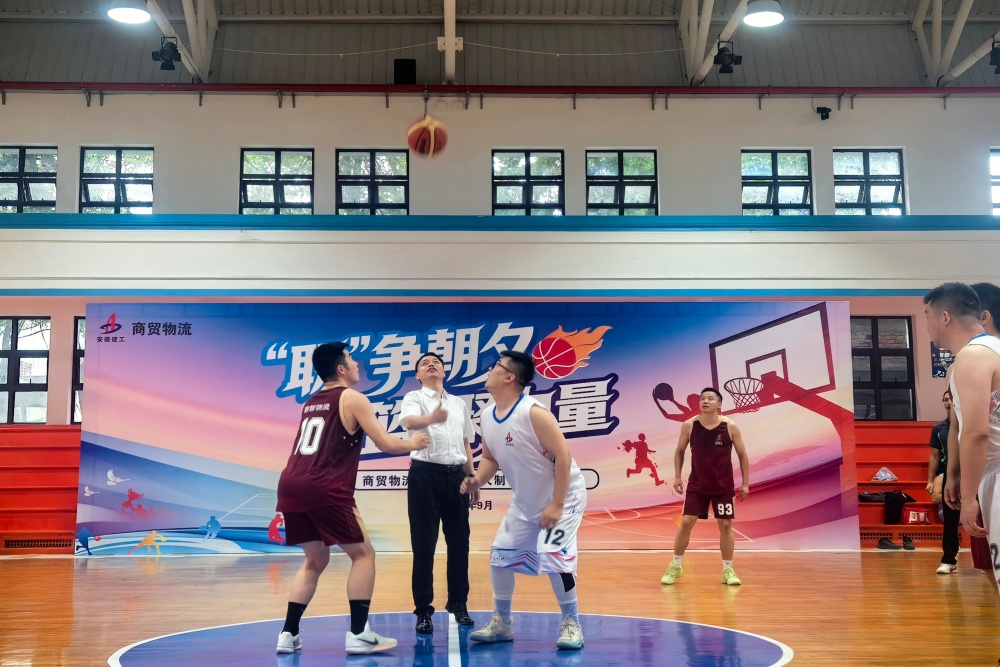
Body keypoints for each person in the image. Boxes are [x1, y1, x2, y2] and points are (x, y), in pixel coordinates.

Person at [274, 342, 429, 655]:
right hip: (324, 487)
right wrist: (414, 444)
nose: (358, 364)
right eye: (352, 359)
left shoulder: (311, 402)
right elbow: (385, 443)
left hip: (290, 484)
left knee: (315, 560)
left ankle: (288, 634)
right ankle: (358, 633)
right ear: (341, 368)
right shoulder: (353, 398)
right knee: (364, 554)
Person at [461, 350, 587, 650]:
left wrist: (557, 505)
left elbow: (563, 456)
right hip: (525, 501)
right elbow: (490, 458)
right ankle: (502, 622)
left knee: (554, 555)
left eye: (496, 366)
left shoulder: (533, 412)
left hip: (565, 497)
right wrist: (477, 479)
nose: (489, 370)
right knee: (500, 555)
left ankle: (572, 623)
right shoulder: (487, 415)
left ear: (509, 377)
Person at [924, 282, 1000, 592]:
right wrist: (954, 474)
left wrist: (968, 499)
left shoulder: (973, 356)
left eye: (927, 315)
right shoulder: (986, 351)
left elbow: (977, 432)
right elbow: (959, 425)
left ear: (944, 317)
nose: (927, 324)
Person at [400, 352, 477, 633]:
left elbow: (466, 442)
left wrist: (472, 476)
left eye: (436, 362)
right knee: (424, 546)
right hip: (424, 476)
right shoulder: (414, 398)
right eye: (425, 363)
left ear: (444, 371)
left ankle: (459, 603)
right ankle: (423, 610)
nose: (431, 364)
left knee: (460, 543)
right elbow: (408, 422)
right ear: (418, 375)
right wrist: (431, 418)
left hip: (456, 476)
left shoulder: (458, 404)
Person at [661, 387, 751, 587]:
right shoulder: (689, 425)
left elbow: (742, 455)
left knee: (725, 525)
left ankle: (728, 570)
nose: (705, 401)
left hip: (723, 487)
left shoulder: (730, 426)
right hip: (697, 485)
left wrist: (745, 483)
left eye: (710, 398)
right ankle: (675, 566)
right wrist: (677, 476)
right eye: (703, 398)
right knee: (686, 522)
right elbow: (679, 451)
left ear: (719, 404)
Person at [927, 390, 959, 573]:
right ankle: (949, 560)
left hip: (973, 471)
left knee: (983, 516)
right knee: (950, 519)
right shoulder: (939, 429)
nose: (949, 403)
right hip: (950, 473)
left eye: (952, 399)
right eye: (946, 400)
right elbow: (935, 456)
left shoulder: (970, 424)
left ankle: (987, 559)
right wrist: (930, 480)